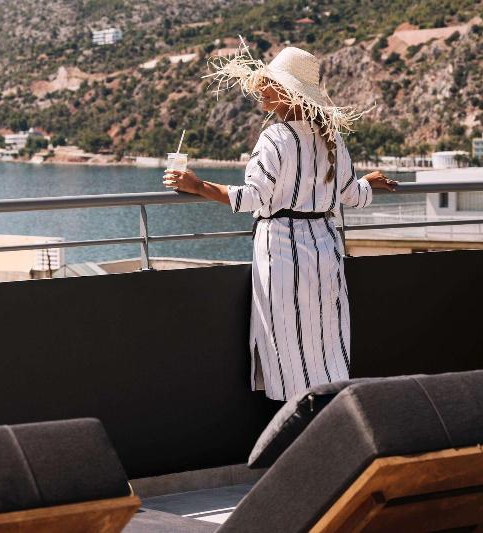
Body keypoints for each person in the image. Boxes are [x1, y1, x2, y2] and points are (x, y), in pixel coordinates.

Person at [163, 44, 397, 401]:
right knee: (325, 340)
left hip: (282, 252)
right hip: (325, 248)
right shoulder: (331, 137)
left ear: (287, 92)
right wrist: (370, 183)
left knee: (287, 342)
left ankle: (296, 430)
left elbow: (254, 197)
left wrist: (197, 186)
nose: (260, 89)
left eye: (268, 83)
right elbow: (350, 195)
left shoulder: (274, 138)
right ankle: (333, 420)